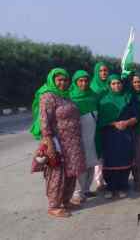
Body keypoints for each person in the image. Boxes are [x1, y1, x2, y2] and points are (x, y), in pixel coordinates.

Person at [30, 68, 86, 218]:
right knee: (56, 173)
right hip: (57, 142)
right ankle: (54, 205)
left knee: (71, 173)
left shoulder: (67, 96)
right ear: (53, 80)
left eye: (65, 80)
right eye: (59, 80)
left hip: (73, 143)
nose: (63, 83)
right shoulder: (48, 97)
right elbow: (44, 122)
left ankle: (66, 201)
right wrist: (49, 143)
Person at [97, 75, 139, 199]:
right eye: (113, 84)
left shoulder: (129, 98)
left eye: (118, 83)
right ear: (109, 85)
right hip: (109, 135)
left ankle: (123, 186)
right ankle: (110, 187)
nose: (116, 86)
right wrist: (114, 123)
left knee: (124, 158)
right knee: (110, 160)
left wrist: (126, 123)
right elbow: (100, 119)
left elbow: (136, 115)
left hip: (125, 134)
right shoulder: (104, 100)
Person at [69, 70, 100, 203]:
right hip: (79, 136)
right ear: (75, 82)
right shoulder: (71, 97)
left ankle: (86, 189)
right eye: (80, 81)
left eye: (86, 80)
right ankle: (77, 192)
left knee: (91, 162)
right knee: (80, 164)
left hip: (93, 135)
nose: (84, 83)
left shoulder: (93, 96)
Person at [90, 62, 110, 191]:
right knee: (97, 152)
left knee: (107, 152)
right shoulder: (92, 87)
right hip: (96, 124)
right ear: (96, 72)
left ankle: (107, 177)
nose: (103, 73)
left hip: (109, 123)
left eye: (105, 70)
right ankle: (98, 181)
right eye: (101, 71)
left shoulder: (110, 85)